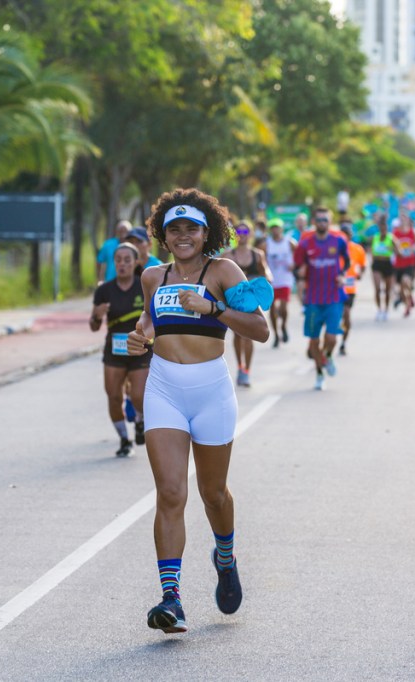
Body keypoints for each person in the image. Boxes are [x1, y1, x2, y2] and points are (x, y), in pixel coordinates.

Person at [127, 189, 271, 634]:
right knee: (170, 494)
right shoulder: (153, 276)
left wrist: (214, 307)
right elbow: (150, 321)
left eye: (192, 228)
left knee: (214, 494)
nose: (183, 236)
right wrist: (141, 336)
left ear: (206, 232)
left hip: (211, 391)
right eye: (175, 229)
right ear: (163, 236)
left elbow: (261, 329)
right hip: (165, 389)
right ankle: (172, 598)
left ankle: (225, 557)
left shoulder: (224, 271)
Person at [90, 243, 151, 457]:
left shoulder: (143, 287)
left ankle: (141, 421)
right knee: (114, 396)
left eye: (127, 260)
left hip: (140, 349)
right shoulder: (104, 290)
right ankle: (125, 439)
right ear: (113, 263)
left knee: (138, 395)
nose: (122, 264)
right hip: (114, 351)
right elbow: (94, 326)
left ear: (136, 263)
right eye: (118, 260)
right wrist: (97, 315)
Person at [295, 207, 348, 390]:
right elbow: (298, 268)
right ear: (314, 222)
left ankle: (327, 356)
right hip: (313, 300)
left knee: (332, 338)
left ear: (330, 222)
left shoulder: (339, 241)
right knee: (314, 341)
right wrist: (300, 275)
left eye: (325, 219)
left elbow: (346, 262)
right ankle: (319, 374)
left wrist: (342, 275)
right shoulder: (305, 245)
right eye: (319, 219)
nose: (322, 223)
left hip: (333, 297)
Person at [222, 222, 272, 386]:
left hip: (251, 302)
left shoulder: (257, 254)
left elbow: (265, 272)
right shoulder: (228, 255)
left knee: (249, 335)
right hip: (234, 301)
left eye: (245, 231)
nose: (242, 234)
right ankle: (240, 366)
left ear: (250, 234)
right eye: (238, 231)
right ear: (235, 234)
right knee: (237, 334)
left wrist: (265, 281)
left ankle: (246, 371)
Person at [265, 218, 297, 348]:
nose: (275, 230)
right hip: (271, 280)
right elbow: (260, 259)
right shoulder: (266, 244)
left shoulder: (289, 243)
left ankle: (283, 326)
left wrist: (294, 265)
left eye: (277, 227)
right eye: (272, 227)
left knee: (283, 307)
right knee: (272, 309)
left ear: (281, 229)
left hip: (285, 279)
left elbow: (300, 255)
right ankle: (276, 335)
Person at [339, 224, 367, 356]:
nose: (345, 237)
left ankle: (343, 343)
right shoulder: (334, 248)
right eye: (342, 234)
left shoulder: (357, 249)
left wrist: (360, 273)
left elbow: (362, 265)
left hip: (349, 288)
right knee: (335, 316)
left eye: (347, 234)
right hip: (335, 287)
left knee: (347, 316)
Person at [391, 217, 415, 318]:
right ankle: (408, 299)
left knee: (406, 282)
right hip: (398, 264)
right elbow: (390, 245)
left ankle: (407, 307)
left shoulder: (413, 232)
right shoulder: (395, 234)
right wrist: (396, 251)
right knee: (400, 289)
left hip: (409, 263)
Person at [368, 212, 395, 321]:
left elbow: (399, 251)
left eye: (385, 228)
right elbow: (370, 251)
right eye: (381, 228)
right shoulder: (375, 238)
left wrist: (392, 249)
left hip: (388, 264)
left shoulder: (391, 238)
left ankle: (386, 310)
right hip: (377, 265)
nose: (383, 230)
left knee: (388, 290)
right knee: (377, 288)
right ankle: (379, 309)